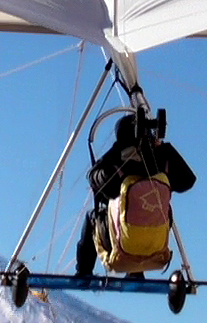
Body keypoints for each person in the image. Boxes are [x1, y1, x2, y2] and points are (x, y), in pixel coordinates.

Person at [75, 113, 195, 277]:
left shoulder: (120, 166)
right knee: (150, 211)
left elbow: (95, 178)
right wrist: (165, 149)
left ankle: (83, 272)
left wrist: (115, 150)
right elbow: (187, 181)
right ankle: (136, 272)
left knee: (93, 216)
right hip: (156, 251)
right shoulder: (161, 163)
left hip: (119, 248)